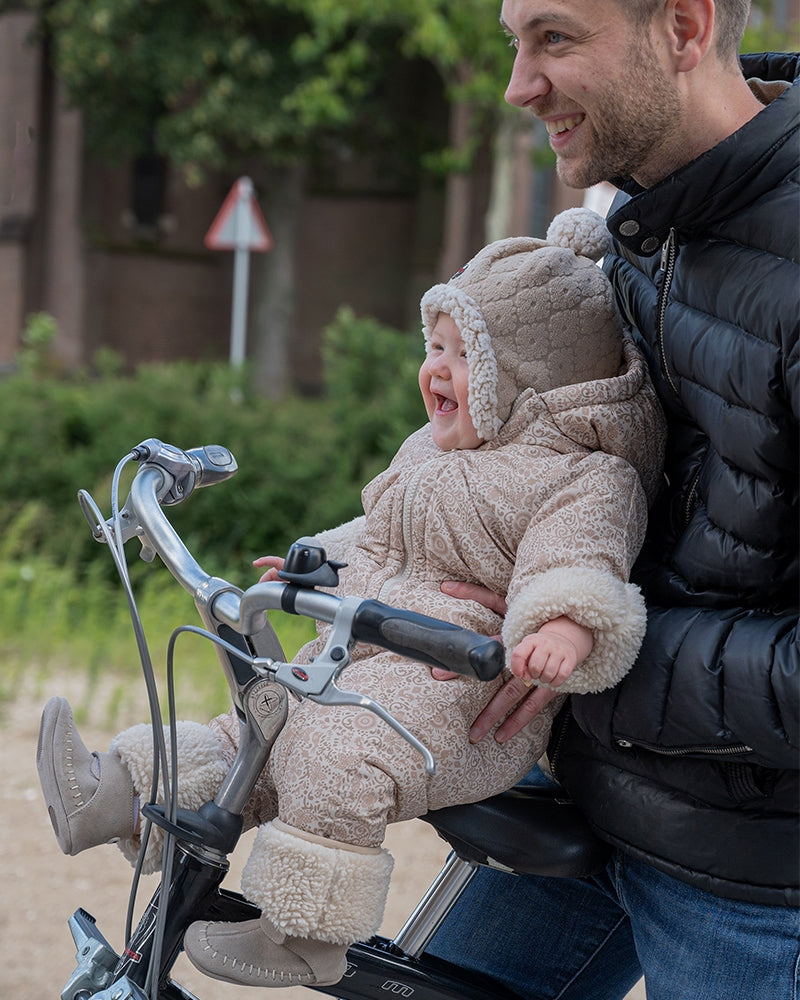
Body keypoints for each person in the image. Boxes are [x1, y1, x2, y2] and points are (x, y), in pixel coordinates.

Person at [36, 208, 666, 988]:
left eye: (466, 355)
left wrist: (560, 630)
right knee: (258, 729)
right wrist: (316, 564)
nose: (436, 369)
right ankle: (112, 795)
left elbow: (578, 561)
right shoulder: (433, 450)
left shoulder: (583, 475)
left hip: (458, 696)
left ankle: (307, 932)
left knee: (336, 755)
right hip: (366, 654)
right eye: (434, 347)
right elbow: (381, 531)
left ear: (529, 377)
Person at [423, 2, 799, 998]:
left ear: (680, 27)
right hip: (591, 788)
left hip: (755, 878)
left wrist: (597, 657)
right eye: (513, 41)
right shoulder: (640, 218)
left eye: (553, 38)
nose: (517, 84)